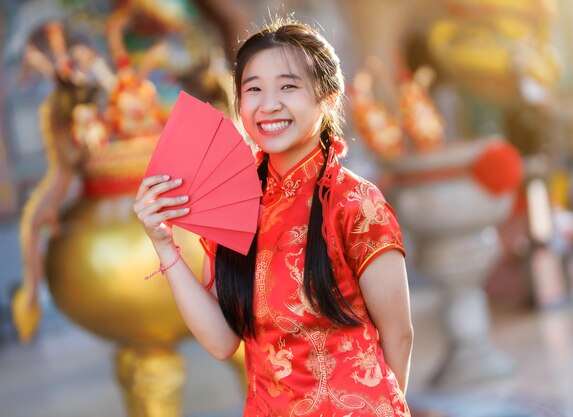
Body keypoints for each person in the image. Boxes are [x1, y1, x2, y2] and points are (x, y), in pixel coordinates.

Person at [134, 18, 413, 417]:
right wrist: (163, 243)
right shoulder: (230, 202)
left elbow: (399, 336)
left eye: (288, 86)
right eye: (253, 90)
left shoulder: (355, 203)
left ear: (328, 97)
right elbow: (220, 342)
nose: (268, 105)